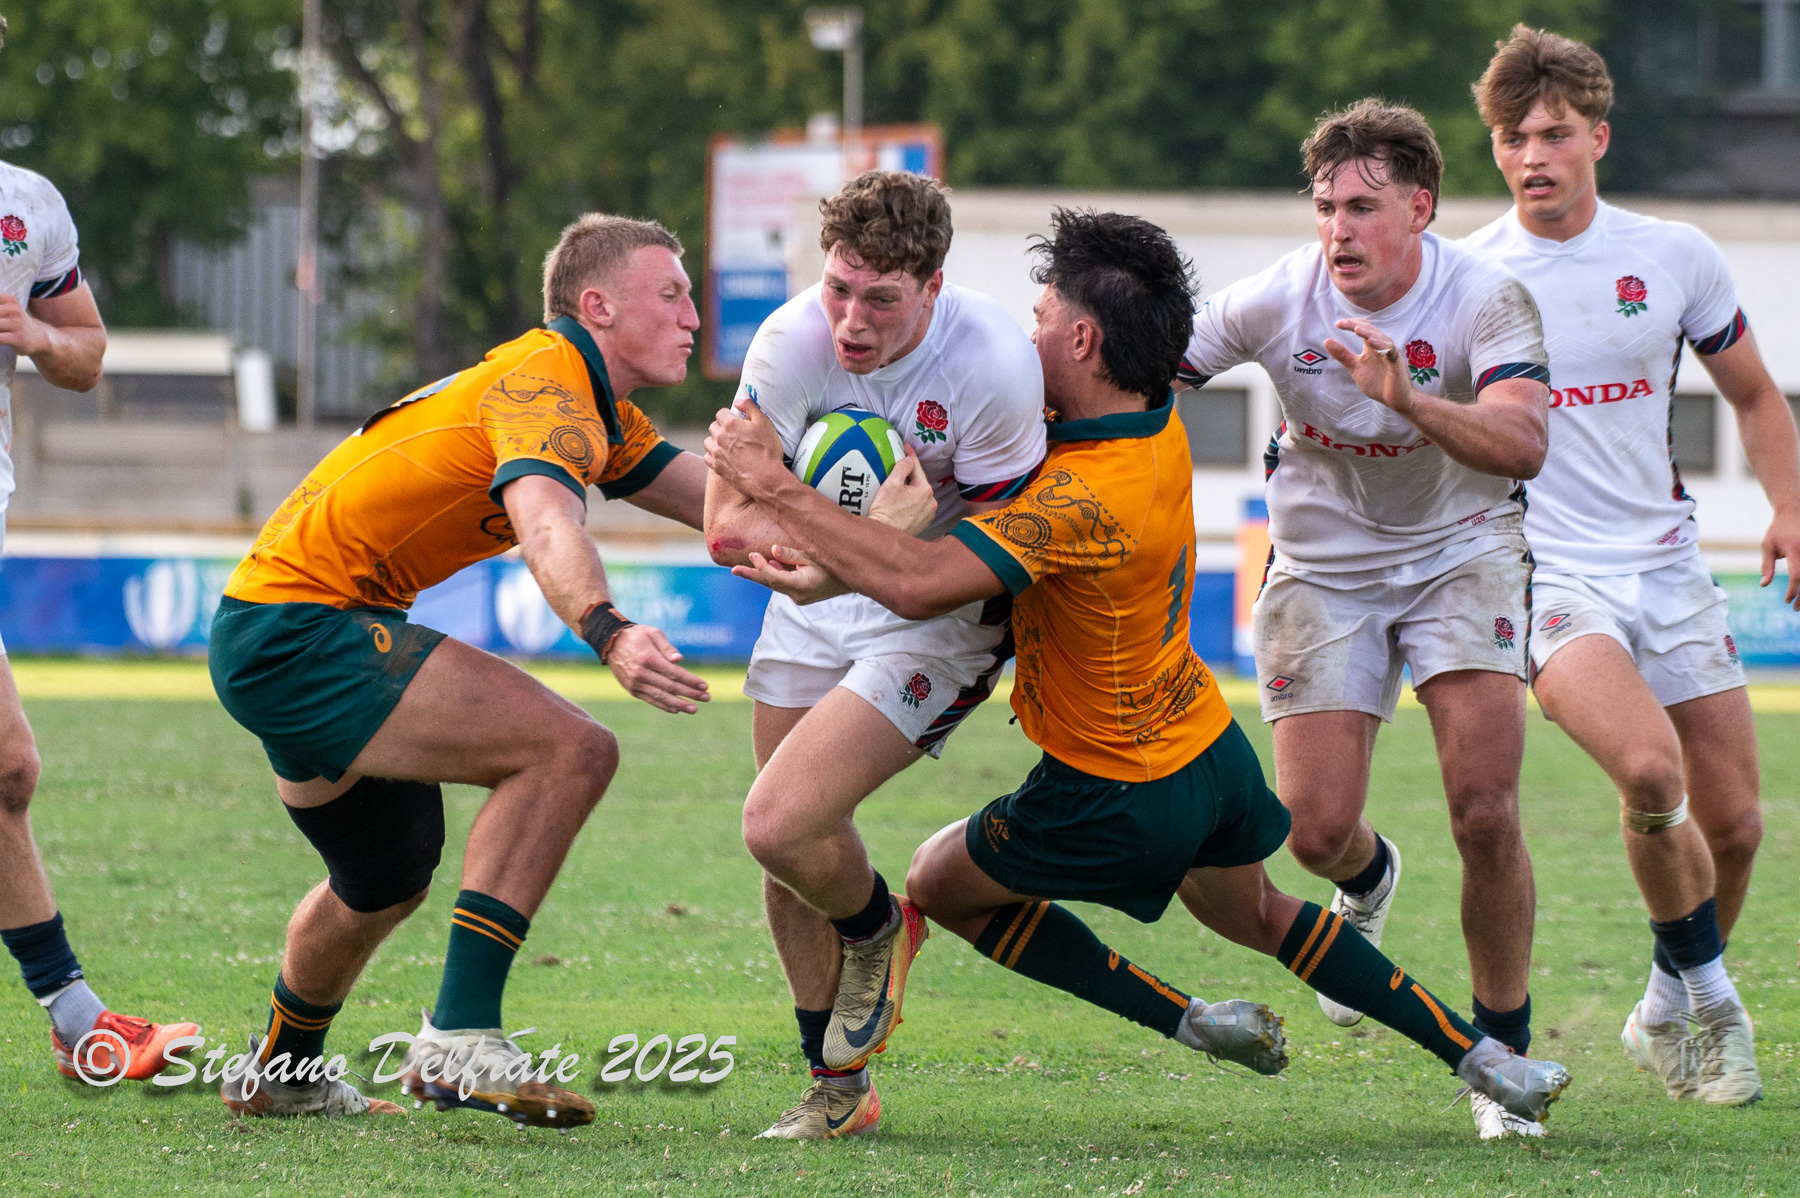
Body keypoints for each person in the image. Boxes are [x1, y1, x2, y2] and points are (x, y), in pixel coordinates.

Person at [707, 207, 1572, 1132]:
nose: (1026, 329)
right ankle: (1486, 1059)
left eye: (1041, 316)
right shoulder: (1152, 423)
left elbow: (921, 586)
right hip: (1204, 745)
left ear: (1082, 339)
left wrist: (782, 487)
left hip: (1112, 780)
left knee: (937, 884)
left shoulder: (1078, 500)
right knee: (1267, 914)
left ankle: (1188, 1020)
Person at [208, 213, 713, 1124]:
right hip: (302, 629)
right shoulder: (547, 380)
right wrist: (608, 629)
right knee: (571, 752)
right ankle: (461, 1035)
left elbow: (724, 512)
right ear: (596, 306)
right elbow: (548, 521)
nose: (695, 316)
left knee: (385, 874)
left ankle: (278, 1074)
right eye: (671, 293)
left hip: (271, 627)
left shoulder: (593, 405)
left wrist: (871, 534)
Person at [1174, 100, 1554, 1138]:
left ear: (1420, 208)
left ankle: (1503, 1062)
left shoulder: (1488, 300)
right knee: (1315, 831)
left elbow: (1523, 448)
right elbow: (1155, 372)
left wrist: (1410, 397)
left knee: (1485, 808)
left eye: (1362, 206)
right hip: (1324, 570)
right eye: (1325, 206)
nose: (1337, 228)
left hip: (1463, 553)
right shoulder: (1276, 300)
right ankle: (1372, 876)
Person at [1463, 26, 1799, 1108]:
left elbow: (1754, 395)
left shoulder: (1674, 256)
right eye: (1515, 138)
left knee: (1739, 825)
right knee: (1653, 777)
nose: (1534, 156)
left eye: (1554, 133)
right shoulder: (1468, 275)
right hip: (1549, 576)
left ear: (1597, 136)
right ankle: (1713, 1000)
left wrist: (1790, 505)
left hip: (1670, 566)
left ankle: (1664, 1005)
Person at [702, 170, 1046, 1139]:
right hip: (813, 599)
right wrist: (832, 551)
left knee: (777, 821)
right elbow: (728, 526)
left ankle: (877, 928)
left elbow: (990, 563)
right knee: (792, 856)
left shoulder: (994, 367)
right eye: (839, 287)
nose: (851, 321)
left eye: (882, 300)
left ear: (933, 288)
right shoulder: (789, 339)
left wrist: (844, 541)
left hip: (939, 614)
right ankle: (838, 1088)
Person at [0, 12, 201, 1084]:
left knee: (7, 768)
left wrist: (35, 337)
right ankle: (78, 1017)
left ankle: (79, 1022)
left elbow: (86, 355)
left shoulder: (25, 206)